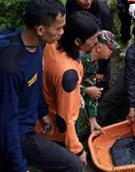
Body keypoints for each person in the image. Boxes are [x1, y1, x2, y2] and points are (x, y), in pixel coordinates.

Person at [0, 0, 83, 172]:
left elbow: (34, 83)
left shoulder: (35, 46)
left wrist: (42, 112)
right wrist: (21, 168)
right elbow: (7, 122)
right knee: (73, 165)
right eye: (59, 28)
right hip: (15, 130)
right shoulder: (10, 68)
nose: (62, 33)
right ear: (41, 29)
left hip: (24, 121)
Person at [36, 11, 100, 166]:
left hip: (43, 107)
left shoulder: (54, 44)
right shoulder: (68, 74)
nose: (96, 42)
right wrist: (77, 150)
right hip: (56, 130)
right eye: (93, 39)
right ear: (78, 41)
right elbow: (66, 120)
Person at [66, 0, 113, 94]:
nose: (88, 1)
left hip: (98, 51)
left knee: (100, 81)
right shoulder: (70, 5)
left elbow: (106, 41)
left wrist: (101, 70)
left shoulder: (103, 11)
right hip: (80, 48)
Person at [80, 30, 120, 133]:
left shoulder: (94, 63)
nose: (111, 52)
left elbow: (91, 87)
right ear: (98, 48)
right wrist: (86, 90)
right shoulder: (80, 60)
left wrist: (92, 118)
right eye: (110, 48)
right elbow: (67, 85)